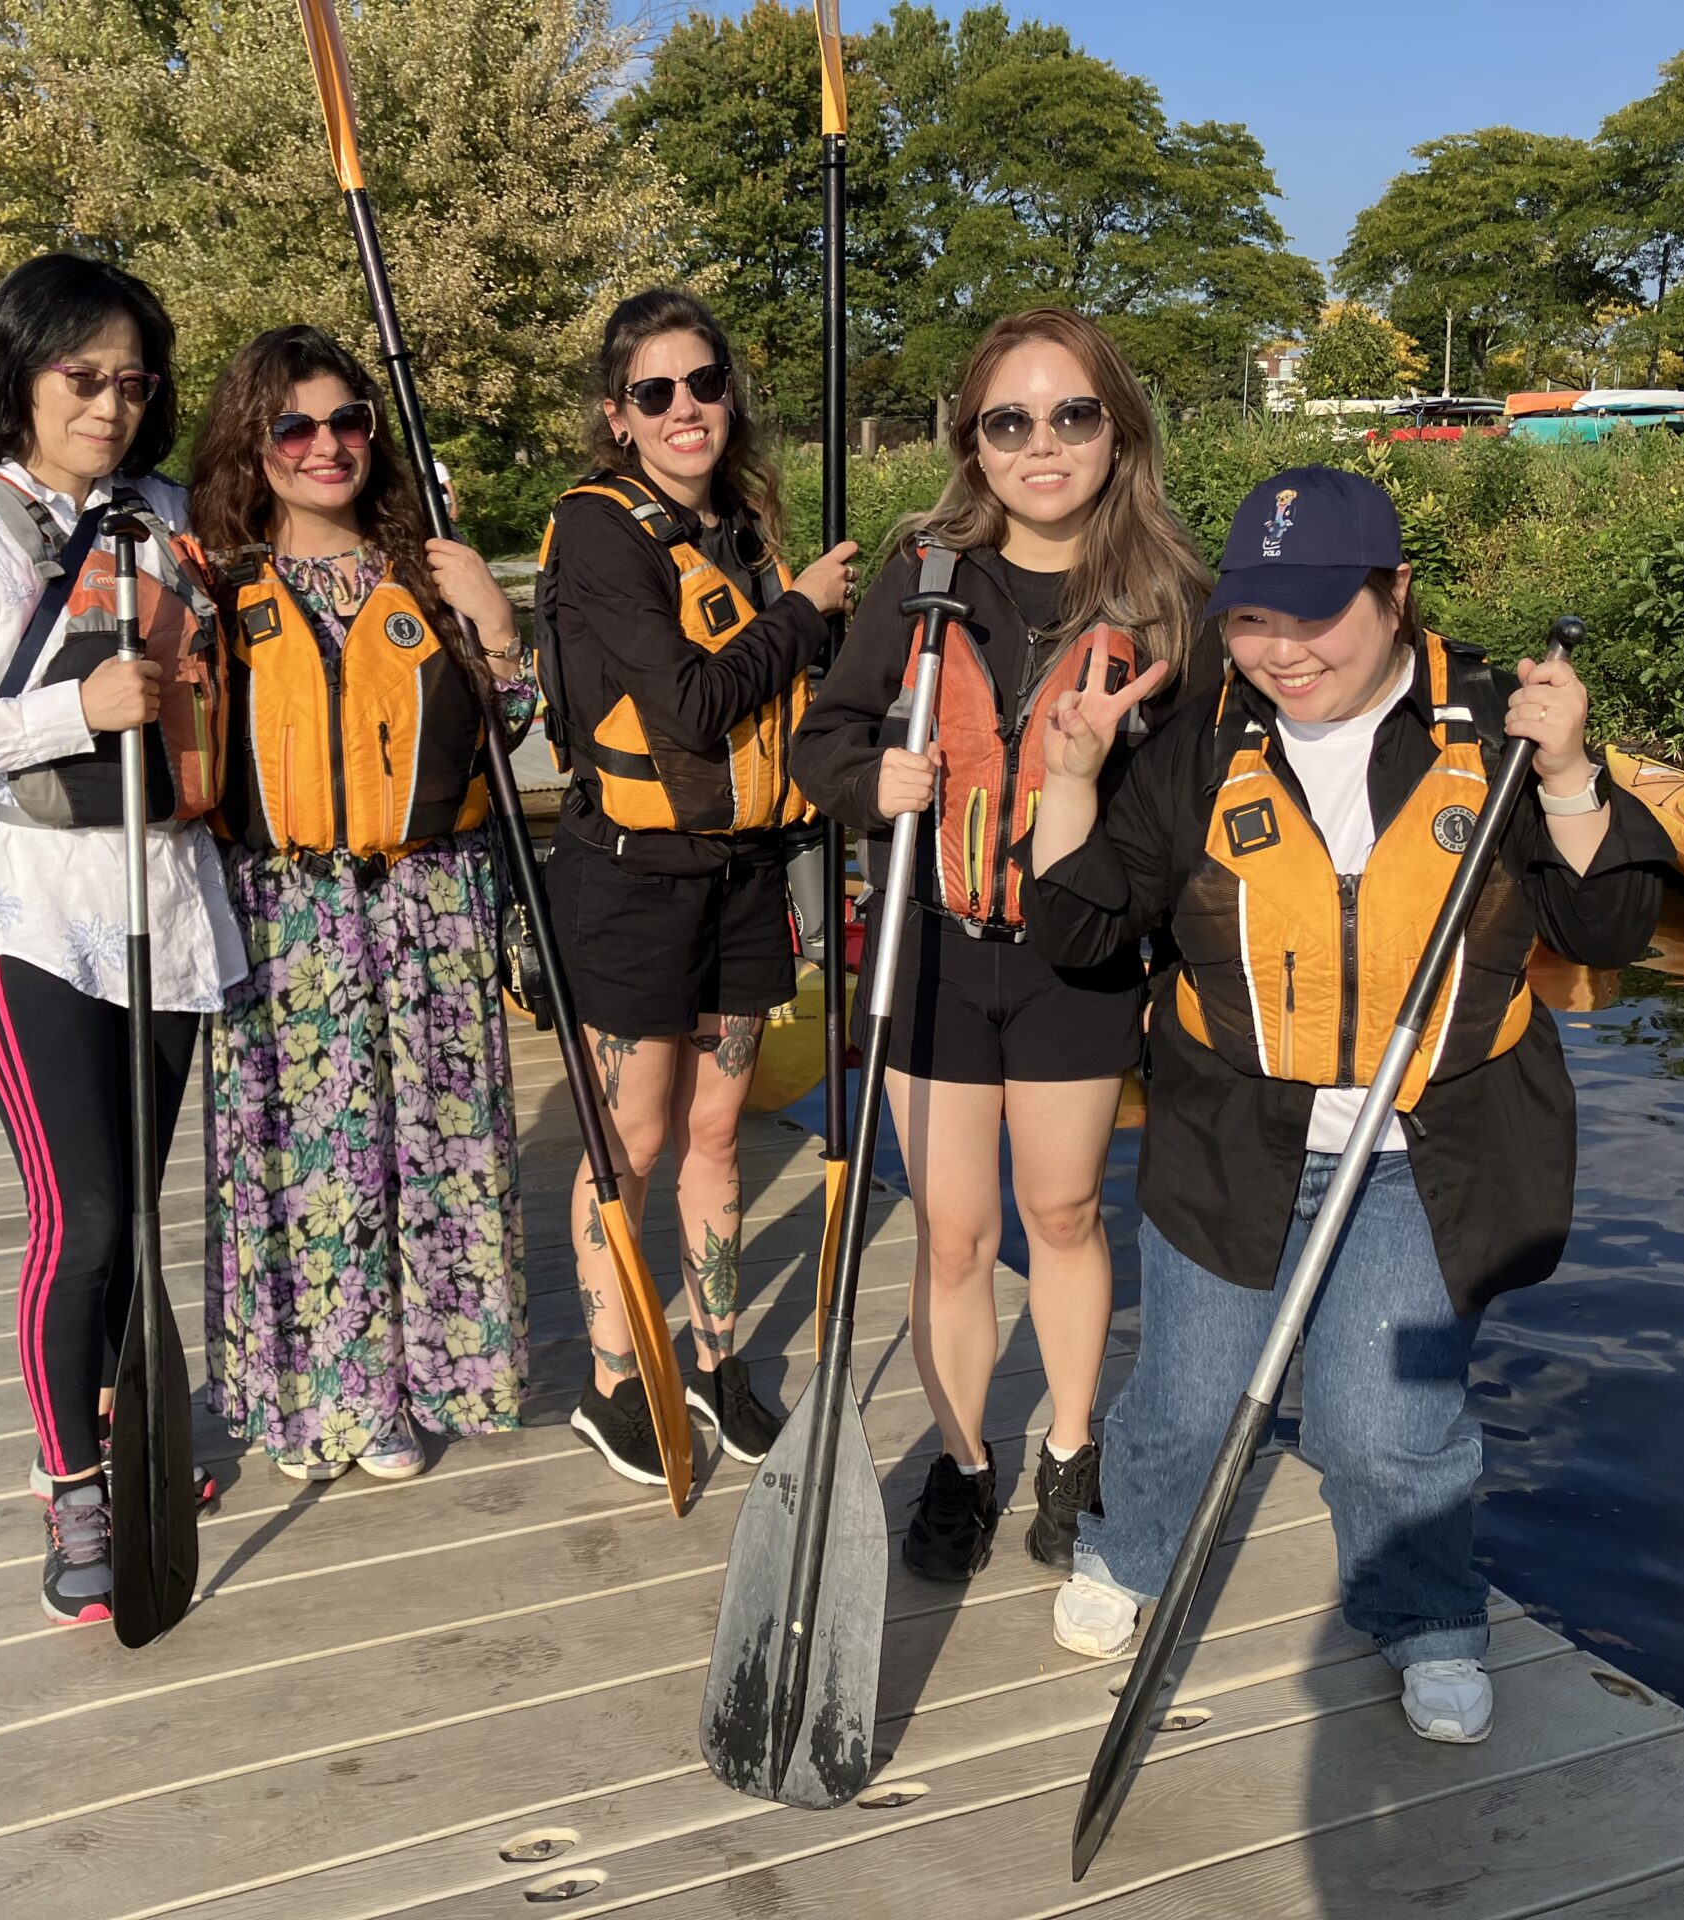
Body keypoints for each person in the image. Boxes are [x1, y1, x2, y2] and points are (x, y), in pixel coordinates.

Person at [1023, 464, 1671, 1741]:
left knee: (1388, 1426)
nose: (1281, 649)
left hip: (1425, 1147)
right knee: (1187, 1400)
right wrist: (1071, 779)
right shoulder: (1207, 735)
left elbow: (1610, 923)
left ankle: (1425, 1613)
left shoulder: (1493, 724)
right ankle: (1129, 1550)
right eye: (1255, 618)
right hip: (1232, 1137)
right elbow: (1078, 935)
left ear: (1396, 593)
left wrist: (1570, 774)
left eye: (1317, 614)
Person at [792, 307, 1218, 1581]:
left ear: (1118, 430)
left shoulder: (1171, 604)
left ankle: (1070, 1449)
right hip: (931, 944)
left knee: (1065, 1208)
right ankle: (965, 1456)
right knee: (955, 1232)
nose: (1044, 444)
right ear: (973, 446)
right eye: (1011, 422)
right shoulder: (922, 575)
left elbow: (1191, 813)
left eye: (1073, 415)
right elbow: (825, 742)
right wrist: (880, 785)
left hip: (1074, 959)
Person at [0, 254, 246, 1625]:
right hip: (29, 913)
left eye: (133, 381)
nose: (111, 402)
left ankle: (121, 1414)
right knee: (81, 1217)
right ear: (22, 373)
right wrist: (78, 708)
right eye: (82, 376)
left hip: (165, 906)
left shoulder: (165, 512)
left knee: (136, 1212)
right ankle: (72, 1485)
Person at [188, 325, 531, 1482]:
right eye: (295, 426)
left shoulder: (426, 575)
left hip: (430, 907)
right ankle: (318, 1399)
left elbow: (514, 723)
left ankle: (422, 1381)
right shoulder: (217, 585)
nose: (325, 445)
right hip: (287, 916)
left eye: (347, 421)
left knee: (430, 1150)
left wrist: (492, 617)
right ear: (254, 442)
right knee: (307, 1157)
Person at [533, 288, 859, 1485]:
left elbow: (799, 687)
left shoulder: (744, 524)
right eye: (655, 393)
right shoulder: (602, 531)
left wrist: (833, 622)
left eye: (705, 384)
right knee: (630, 1134)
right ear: (616, 417)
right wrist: (801, 609)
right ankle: (615, 1375)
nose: (687, 410)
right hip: (628, 879)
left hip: (741, 873)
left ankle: (716, 1357)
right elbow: (689, 702)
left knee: (718, 1130)